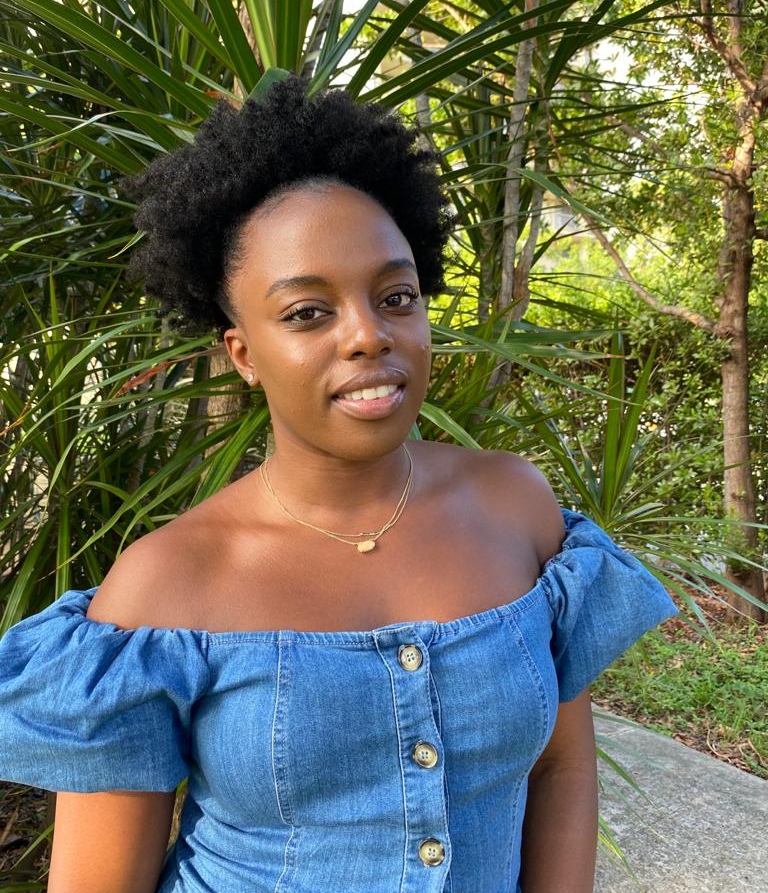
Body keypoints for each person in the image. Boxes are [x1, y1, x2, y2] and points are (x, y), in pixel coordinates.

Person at [0, 73, 678, 893]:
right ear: (243, 353)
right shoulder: (165, 586)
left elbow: (560, 768)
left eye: (396, 296)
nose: (367, 334)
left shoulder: (516, 509)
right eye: (306, 312)